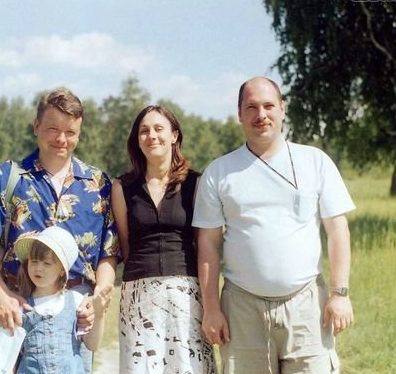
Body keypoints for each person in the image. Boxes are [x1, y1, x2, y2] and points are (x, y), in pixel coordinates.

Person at [193, 77, 355, 374]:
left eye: (269, 106)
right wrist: (212, 309)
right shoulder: (218, 172)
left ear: (282, 108)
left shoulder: (315, 161)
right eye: (251, 107)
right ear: (239, 114)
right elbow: (208, 244)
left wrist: (340, 294)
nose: (261, 115)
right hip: (242, 310)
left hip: (307, 307)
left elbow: (338, 231)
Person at [0, 88, 119, 372]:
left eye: (70, 132)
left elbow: (109, 252)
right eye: (53, 129)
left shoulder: (98, 184)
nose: (61, 139)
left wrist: (97, 298)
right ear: (36, 126)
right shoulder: (9, 176)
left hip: (75, 318)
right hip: (19, 313)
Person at [112, 105, 216, 373]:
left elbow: (201, 244)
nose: (152, 136)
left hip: (186, 295)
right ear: (137, 140)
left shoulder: (196, 184)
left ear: (174, 136)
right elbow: (126, 244)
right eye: (144, 131)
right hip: (139, 295)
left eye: (159, 129)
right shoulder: (122, 187)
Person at [13, 226, 112, 374]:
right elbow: (11, 354)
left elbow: (92, 344)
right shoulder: (22, 306)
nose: (38, 268)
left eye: (47, 263)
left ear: (61, 270)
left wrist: (99, 314)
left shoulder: (76, 301)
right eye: (34, 261)